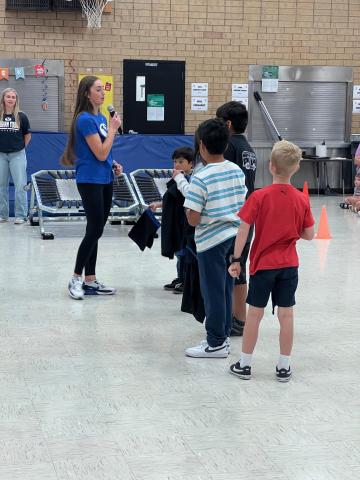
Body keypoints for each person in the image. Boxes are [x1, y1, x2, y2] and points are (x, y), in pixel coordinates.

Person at [228, 140, 315, 382]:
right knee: (286, 315)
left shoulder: (258, 196)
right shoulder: (301, 199)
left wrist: (236, 259)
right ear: (296, 168)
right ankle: (283, 367)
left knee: (254, 314)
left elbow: (243, 231)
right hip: (289, 265)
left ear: (271, 167)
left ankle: (244, 365)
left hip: (262, 266)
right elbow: (309, 235)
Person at [183, 118, 247, 358]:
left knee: (212, 292)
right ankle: (222, 336)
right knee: (226, 288)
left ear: (201, 146)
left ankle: (216, 342)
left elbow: (193, 219)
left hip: (210, 242)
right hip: (233, 238)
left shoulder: (200, 177)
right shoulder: (236, 170)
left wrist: (187, 208)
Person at [61, 76, 123, 300]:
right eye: (98, 89)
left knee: (96, 229)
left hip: (105, 178)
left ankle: (90, 280)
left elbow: (104, 154)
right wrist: (115, 129)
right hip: (90, 180)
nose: (102, 93)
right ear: (87, 94)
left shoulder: (101, 118)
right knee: (94, 229)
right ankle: (76, 277)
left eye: (103, 89)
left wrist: (113, 164)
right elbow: (100, 152)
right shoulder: (85, 120)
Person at [216, 101, 257, 337]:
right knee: (239, 266)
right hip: (246, 217)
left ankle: (238, 318)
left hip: (233, 217)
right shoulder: (248, 147)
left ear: (228, 124)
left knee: (234, 267)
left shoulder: (229, 146)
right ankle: (238, 317)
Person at [149, 147, 194, 294]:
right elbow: (173, 199)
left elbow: (190, 197)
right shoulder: (178, 178)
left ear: (191, 163)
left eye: (181, 161)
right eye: (175, 161)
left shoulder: (191, 179)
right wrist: (159, 204)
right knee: (178, 251)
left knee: (184, 252)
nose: (177, 164)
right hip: (175, 220)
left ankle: (186, 280)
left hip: (185, 222)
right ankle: (180, 277)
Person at [0, 88, 31, 224]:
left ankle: (21, 215)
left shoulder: (21, 116)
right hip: (1, 155)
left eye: (13, 97)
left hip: (17, 155)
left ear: (16, 100)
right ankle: (3, 215)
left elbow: (27, 135)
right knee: (1, 186)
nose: (11, 99)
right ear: (3, 99)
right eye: (8, 97)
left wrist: (20, 148)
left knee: (20, 185)